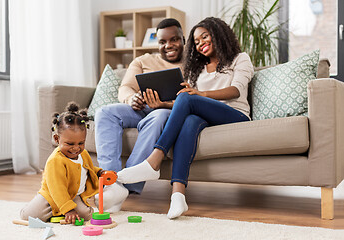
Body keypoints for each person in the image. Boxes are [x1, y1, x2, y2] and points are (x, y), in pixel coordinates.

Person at [117, 17, 254, 219]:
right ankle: (178, 196)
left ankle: (154, 160)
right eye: (196, 41)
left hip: (235, 115)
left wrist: (199, 94)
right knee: (189, 120)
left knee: (187, 97)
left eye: (205, 37)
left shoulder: (240, 58)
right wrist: (162, 104)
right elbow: (186, 102)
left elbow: (235, 90)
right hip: (206, 116)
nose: (200, 44)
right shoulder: (197, 69)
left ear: (219, 34)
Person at [94, 18, 185, 212]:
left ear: (183, 39)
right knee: (105, 112)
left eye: (174, 39)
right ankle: (111, 183)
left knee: (159, 116)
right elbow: (125, 87)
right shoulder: (143, 60)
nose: (168, 45)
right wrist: (131, 98)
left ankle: (126, 184)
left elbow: (195, 98)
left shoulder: (194, 64)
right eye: (162, 42)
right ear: (157, 43)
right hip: (140, 109)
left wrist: (164, 104)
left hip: (169, 111)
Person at [20, 102, 105, 223]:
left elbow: (87, 169)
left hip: (73, 195)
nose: (76, 148)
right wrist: (68, 210)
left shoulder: (83, 153)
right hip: (51, 197)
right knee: (29, 216)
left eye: (81, 143)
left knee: (87, 216)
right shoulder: (55, 160)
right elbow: (57, 189)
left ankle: (63, 210)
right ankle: (56, 210)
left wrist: (100, 172)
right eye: (70, 144)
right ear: (57, 139)